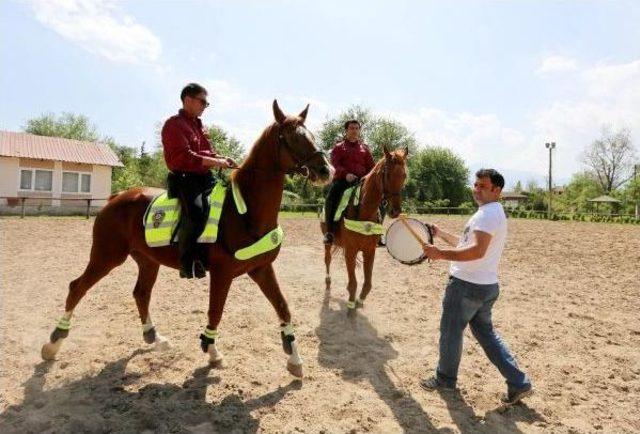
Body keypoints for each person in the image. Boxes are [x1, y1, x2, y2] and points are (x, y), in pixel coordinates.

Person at [420, 169, 533, 405]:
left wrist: (439, 254)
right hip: (486, 286)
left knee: (451, 333)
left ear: (497, 190)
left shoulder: (486, 215)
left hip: (466, 286)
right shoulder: (491, 213)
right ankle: (518, 382)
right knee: (488, 336)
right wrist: (440, 235)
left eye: (483, 186)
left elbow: (476, 251)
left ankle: (445, 379)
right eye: (475, 184)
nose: (476, 189)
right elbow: (465, 244)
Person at [161, 83, 237, 279]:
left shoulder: (199, 125)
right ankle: (187, 263)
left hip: (206, 177)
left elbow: (207, 153)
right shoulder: (173, 125)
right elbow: (185, 157)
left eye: (206, 103)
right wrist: (217, 161)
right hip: (186, 179)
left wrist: (223, 159)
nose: (205, 105)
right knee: (195, 211)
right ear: (188, 99)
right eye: (203, 101)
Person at [323, 120, 375, 244]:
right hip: (343, 181)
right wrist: (346, 174)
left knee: (380, 198)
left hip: (362, 182)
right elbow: (335, 164)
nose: (354, 130)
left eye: (357, 128)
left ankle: (377, 232)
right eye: (352, 128)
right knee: (331, 197)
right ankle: (329, 233)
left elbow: (371, 167)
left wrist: (368, 178)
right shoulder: (338, 147)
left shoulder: (365, 149)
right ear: (346, 131)